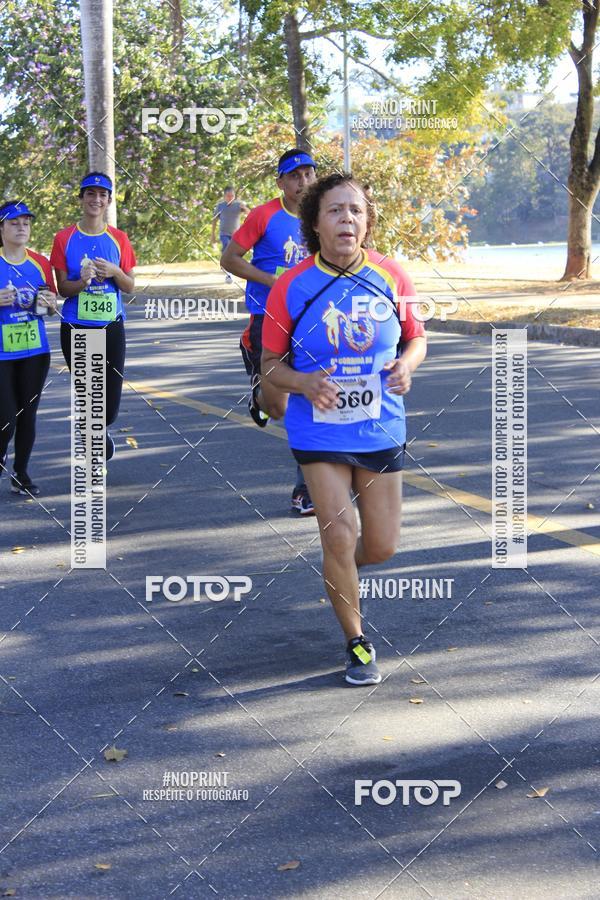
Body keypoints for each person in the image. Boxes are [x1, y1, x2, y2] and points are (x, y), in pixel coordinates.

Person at [261, 173, 427, 685]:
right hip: (319, 431)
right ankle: (357, 642)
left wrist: (408, 365)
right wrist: (305, 383)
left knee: (380, 547)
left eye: (356, 210)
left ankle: (341, 574)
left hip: (379, 427)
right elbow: (269, 366)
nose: (347, 219)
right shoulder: (291, 285)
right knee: (340, 536)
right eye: (335, 210)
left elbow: (417, 338)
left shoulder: (392, 275)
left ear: (367, 220)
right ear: (315, 222)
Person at [220, 149, 317, 515]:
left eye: (308, 174)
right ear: (281, 182)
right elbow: (229, 259)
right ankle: (259, 395)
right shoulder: (264, 215)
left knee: (308, 397)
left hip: (311, 319)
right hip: (268, 316)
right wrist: (272, 280)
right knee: (277, 406)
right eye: (294, 176)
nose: (303, 182)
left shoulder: (324, 214)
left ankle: (305, 489)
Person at [50, 172, 136, 461]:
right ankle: (93, 455)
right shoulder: (64, 238)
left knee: (109, 402)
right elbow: (62, 289)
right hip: (76, 326)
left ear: (109, 200)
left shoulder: (119, 239)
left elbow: (130, 286)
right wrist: (82, 282)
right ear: (82, 198)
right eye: (90, 194)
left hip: (111, 326)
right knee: (89, 394)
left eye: (102, 195)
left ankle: (101, 431)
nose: (96, 200)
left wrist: (115, 272)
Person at [0, 200, 58, 495]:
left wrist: (49, 305)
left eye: (26, 222)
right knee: (6, 417)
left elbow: (49, 306)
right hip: (1, 354)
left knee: (27, 414)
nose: (21, 227)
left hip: (35, 351)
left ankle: (21, 474)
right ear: (1, 228)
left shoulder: (40, 263)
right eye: (14, 222)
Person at [211, 187, 249, 282]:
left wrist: (245, 208)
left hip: (236, 234)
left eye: (232, 196)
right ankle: (228, 272)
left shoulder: (238, 205)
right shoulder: (220, 206)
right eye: (228, 196)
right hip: (223, 233)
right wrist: (212, 235)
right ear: (224, 196)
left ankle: (230, 271)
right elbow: (214, 221)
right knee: (226, 247)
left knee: (234, 254)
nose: (230, 198)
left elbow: (250, 214)